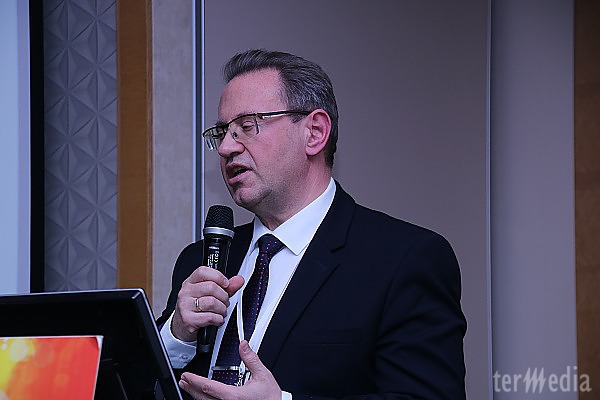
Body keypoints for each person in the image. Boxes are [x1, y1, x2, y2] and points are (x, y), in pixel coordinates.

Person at [157, 49, 466, 400]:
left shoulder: (404, 259)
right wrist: (177, 335)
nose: (226, 147)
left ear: (315, 133)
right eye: (222, 132)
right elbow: (139, 385)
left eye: (247, 126)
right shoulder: (201, 260)